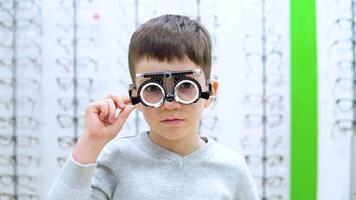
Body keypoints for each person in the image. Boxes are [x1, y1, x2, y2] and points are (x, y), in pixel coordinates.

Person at [48, 14, 259, 200]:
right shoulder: (116, 160)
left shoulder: (232, 169)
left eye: (186, 85)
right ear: (135, 96)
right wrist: (91, 142)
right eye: (153, 88)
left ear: (209, 92)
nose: (170, 104)